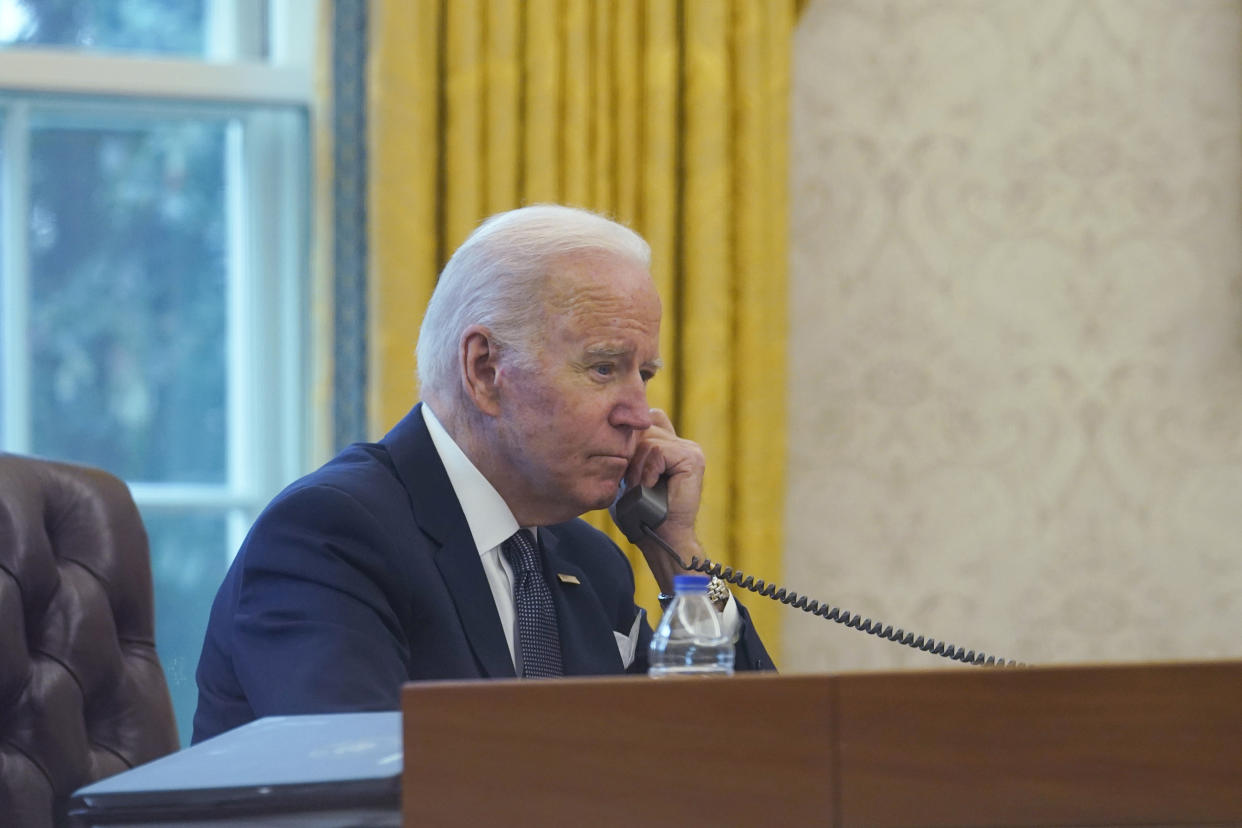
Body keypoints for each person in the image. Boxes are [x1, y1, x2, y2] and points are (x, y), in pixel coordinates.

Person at [192, 204, 776, 743]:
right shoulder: (331, 535)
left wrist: (678, 553)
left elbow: (741, 747)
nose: (637, 414)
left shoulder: (590, 563)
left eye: (642, 374)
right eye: (603, 368)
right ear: (484, 368)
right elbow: (356, 789)